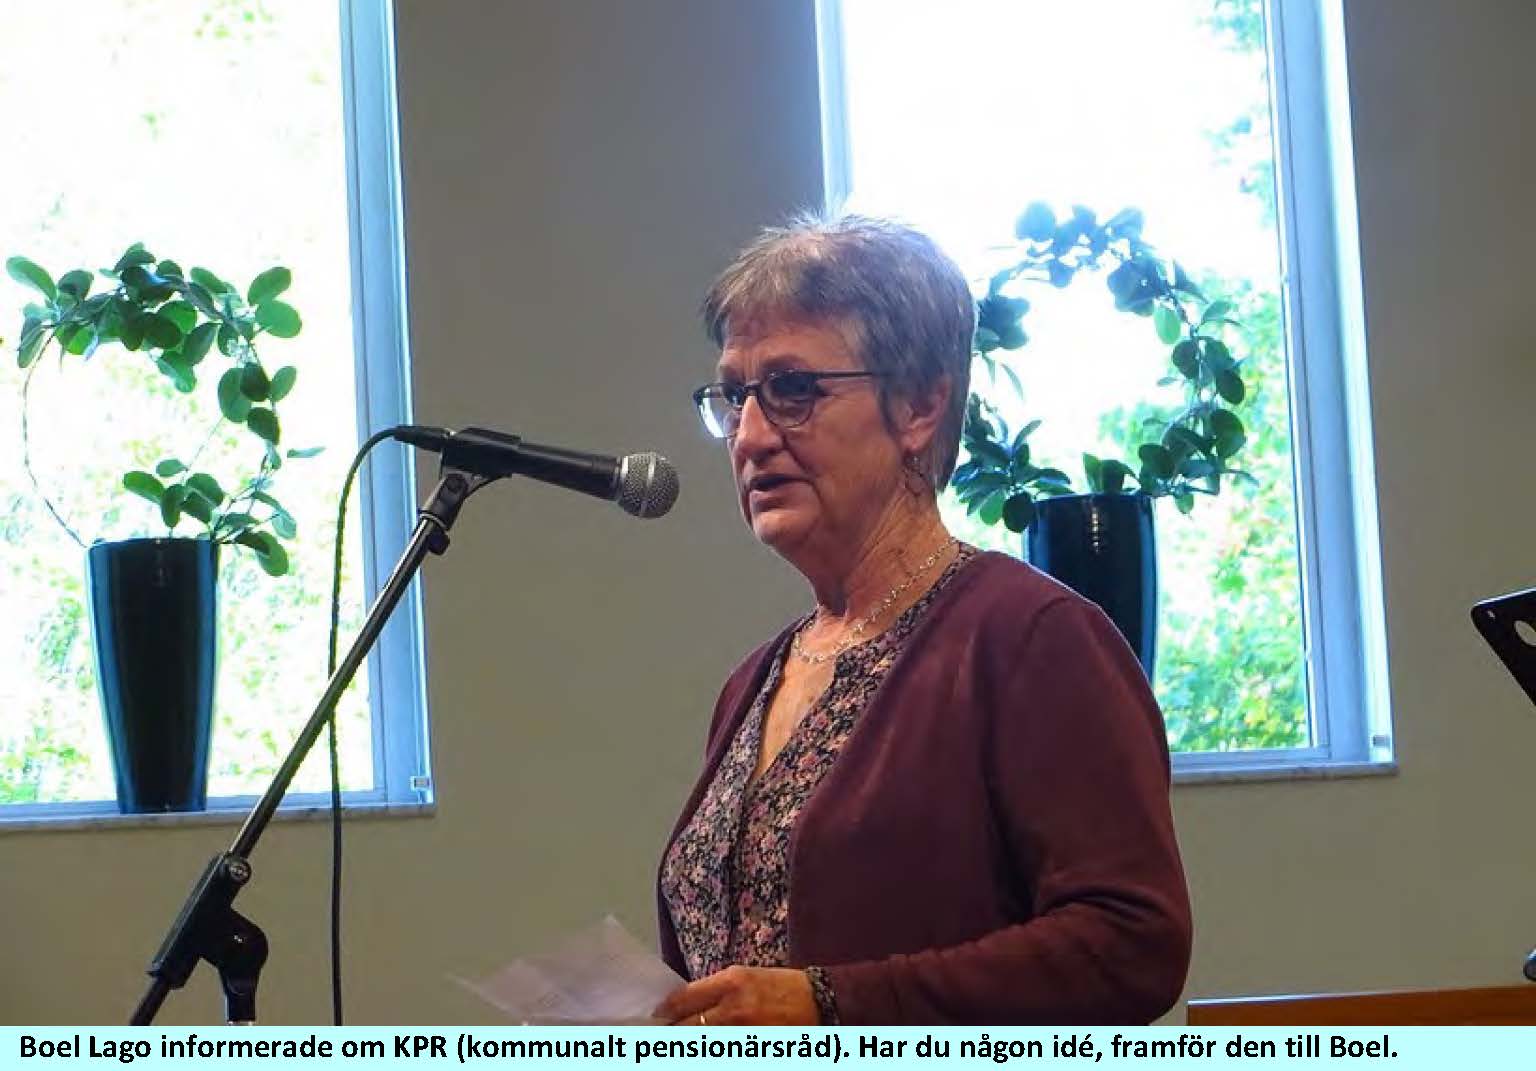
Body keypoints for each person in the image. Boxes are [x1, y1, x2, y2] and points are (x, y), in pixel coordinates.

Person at [654, 214, 1191, 1025]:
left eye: (793, 390)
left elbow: (1132, 943)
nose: (751, 435)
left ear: (919, 405)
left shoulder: (1031, 638)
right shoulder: (752, 683)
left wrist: (834, 1004)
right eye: (735, 396)